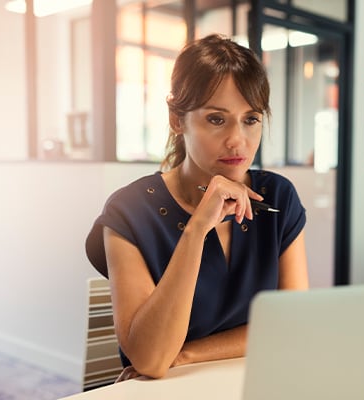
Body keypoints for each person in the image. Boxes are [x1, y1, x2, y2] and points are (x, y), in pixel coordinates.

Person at [85, 34, 309, 380]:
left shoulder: (277, 198)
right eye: (217, 119)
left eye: (251, 119)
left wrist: (188, 354)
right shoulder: (130, 211)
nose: (238, 141)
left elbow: (292, 325)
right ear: (177, 120)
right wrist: (196, 229)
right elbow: (149, 359)